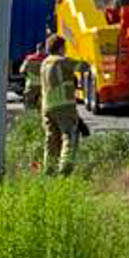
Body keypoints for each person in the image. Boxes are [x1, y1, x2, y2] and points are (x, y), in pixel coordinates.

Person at [38, 34, 83, 175]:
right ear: (61, 48)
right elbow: (84, 67)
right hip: (64, 106)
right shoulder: (62, 61)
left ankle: (49, 171)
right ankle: (65, 171)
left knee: (51, 140)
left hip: (47, 107)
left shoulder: (44, 63)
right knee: (69, 137)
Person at [18, 43, 44, 111]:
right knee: (41, 106)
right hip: (42, 86)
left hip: (30, 85)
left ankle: (30, 118)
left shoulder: (29, 59)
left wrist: (27, 77)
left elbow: (22, 71)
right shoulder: (46, 60)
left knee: (29, 105)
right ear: (44, 49)